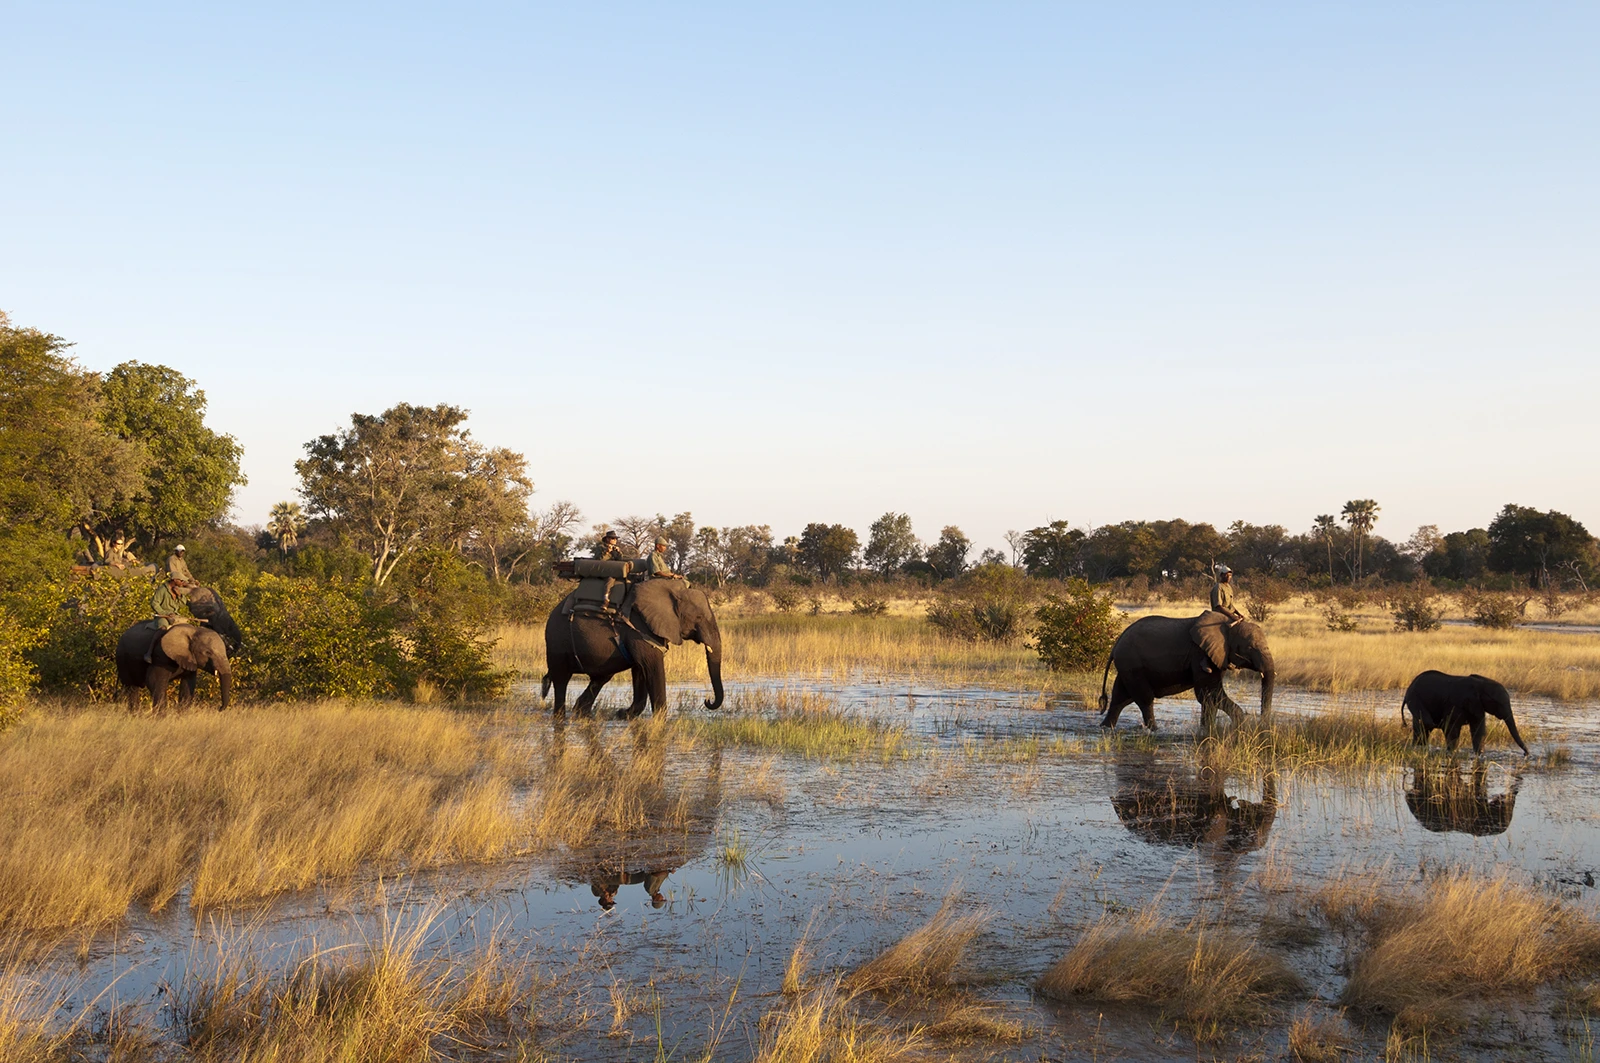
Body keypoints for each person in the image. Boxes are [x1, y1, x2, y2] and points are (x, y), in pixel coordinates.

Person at [146, 577, 187, 663]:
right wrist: (164, 613)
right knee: (163, 629)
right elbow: (154, 603)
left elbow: (182, 605)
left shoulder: (177, 590)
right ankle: (149, 653)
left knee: (186, 628)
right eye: (181, 580)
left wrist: (180, 595)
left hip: (174, 616)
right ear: (174, 579)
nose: (182, 582)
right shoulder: (162, 590)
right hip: (162, 616)